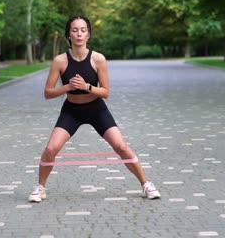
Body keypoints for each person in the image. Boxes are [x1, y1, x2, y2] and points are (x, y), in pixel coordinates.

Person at [28, 15, 161, 202]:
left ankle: (146, 184)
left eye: (83, 30)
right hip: (71, 110)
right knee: (51, 149)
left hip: (96, 109)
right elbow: (48, 93)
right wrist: (68, 87)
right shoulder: (60, 61)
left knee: (121, 146)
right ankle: (40, 188)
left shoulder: (98, 59)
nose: (79, 34)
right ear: (69, 35)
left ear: (88, 34)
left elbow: (105, 92)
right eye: (75, 30)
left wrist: (86, 87)